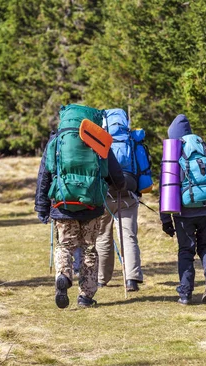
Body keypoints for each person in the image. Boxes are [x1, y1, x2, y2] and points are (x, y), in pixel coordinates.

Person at [35, 105, 126, 309]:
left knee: (65, 246)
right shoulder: (97, 138)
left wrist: (42, 207)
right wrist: (120, 186)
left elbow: (44, 176)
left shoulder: (56, 140)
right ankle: (85, 296)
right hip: (92, 205)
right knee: (89, 249)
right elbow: (114, 173)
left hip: (62, 204)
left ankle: (64, 276)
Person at [160, 114, 206, 305]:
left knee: (186, 251)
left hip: (184, 213)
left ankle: (185, 293)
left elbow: (166, 188)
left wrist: (166, 220)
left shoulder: (173, 154)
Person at [95, 109, 145, 291]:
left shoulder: (100, 139)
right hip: (128, 191)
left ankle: (101, 278)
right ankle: (131, 278)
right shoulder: (132, 139)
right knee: (128, 235)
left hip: (105, 193)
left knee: (102, 236)